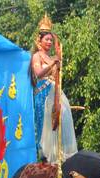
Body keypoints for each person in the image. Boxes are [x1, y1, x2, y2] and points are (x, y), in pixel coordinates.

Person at [31, 14, 77, 163]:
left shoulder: (52, 58)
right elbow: (38, 73)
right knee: (43, 127)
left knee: (62, 115)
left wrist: (57, 63)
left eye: (51, 39)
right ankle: (43, 157)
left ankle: (60, 155)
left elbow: (57, 79)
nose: (49, 42)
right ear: (40, 40)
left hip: (54, 93)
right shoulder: (37, 56)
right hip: (42, 93)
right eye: (47, 39)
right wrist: (53, 64)